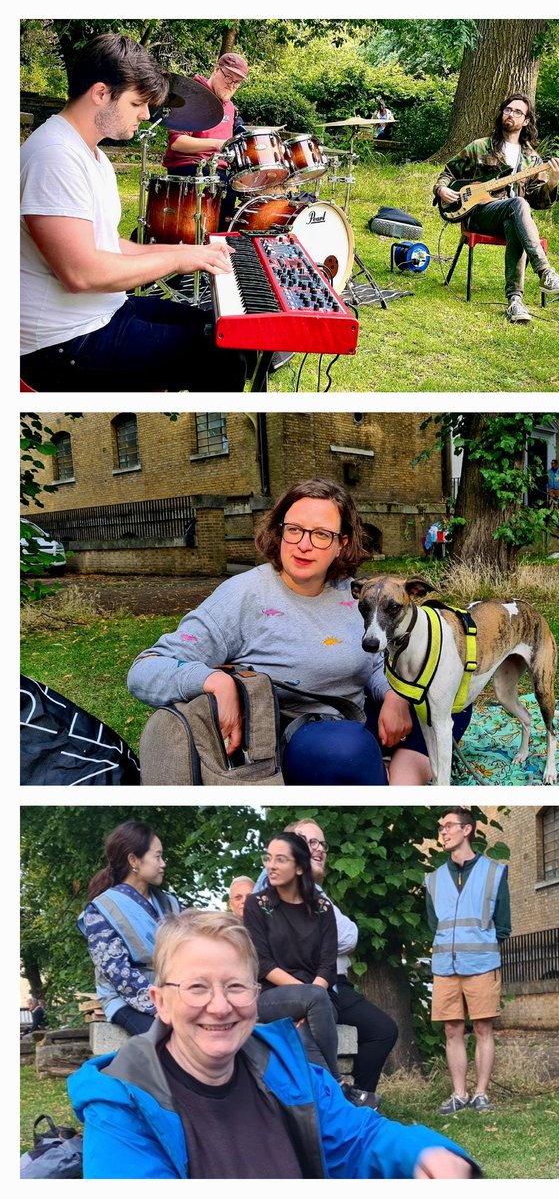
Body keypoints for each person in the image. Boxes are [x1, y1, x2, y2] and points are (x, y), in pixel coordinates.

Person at [67, 909, 476, 1178]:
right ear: (161, 1003)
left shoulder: (287, 1068)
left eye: (235, 987)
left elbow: (360, 1138)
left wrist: (422, 1153)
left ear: (256, 994)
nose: (220, 1006)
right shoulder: (120, 1105)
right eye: (196, 988)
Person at [127, 478, 449, 785]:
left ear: (342, 543)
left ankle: (404, 775)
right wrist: (214, 680)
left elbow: (375, 660)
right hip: (298, 738)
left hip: (359, 714)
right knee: (346, 750)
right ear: (279, 532)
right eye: (294, 530)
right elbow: (145, 669)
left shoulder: (353, 594)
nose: (304, 545)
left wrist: (394, 695)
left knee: (449, 696)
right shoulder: (243, 596)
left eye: (321, 534)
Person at [20, 34, 246, 392]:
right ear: (100, 93)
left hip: (102, 313)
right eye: (137, 103)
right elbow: (81, 274)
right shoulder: (54, 155)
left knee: (218, 327)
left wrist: (188, 252)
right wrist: (175, 263)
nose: (145, 114)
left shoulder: (92, 156)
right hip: (60, 342)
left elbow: (109, 246)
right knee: (222, 358)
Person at [434, 92, 559, 323]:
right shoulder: (481, 146)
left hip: (512, 217)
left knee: (515, 216)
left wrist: (552, 182)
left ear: (526, 121)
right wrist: (441, 189)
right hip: (480, 214)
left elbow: (537, 202)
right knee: (518, 204)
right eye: (508, 109)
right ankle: (546, 273)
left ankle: (515, 302)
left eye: (518, 112)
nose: (511, 114)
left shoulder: (533, 160)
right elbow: (448, 172)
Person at [289, 817, 399, 1104]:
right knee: (315, 1037)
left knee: (383, 1030)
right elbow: (335, 937)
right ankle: (339, 1105)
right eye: (310, 841)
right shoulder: (287, 887)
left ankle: (359, 1100)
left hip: (334, 984)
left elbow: (348, 934)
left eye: (322, 843)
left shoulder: (316, 891)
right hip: (310, 986)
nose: (319, 849)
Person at [426, 808, 511, 1115]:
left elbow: (503, 924)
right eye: (441, 827)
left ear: (467, 830)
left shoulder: (494, 871)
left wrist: (483, 947)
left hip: (481, 965)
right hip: (445, 967)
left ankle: (481, 1093)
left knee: (483, 1029)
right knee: (451, 1030)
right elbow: (432, 923)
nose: (443, 831)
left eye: (448, 826)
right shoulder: (433, 879)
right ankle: (459, 1093)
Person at [242, 831, 341, 1079]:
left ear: (299, 868)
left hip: (319, 997)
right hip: (270, 996)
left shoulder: (322, 907)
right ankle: (338, 1083)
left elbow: (328, 964)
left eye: (280, 859)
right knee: (316, 1001)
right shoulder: (257, 904)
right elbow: (262, 963)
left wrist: (311, 999)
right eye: (268, 858)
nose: (271, 866)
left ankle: (327, 1099)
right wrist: (306, 998)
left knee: (305, 1037)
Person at [77, 820, 183, 1036]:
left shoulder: (171, 903)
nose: (163, 863)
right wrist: (160, 1006)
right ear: (134, 860)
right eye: (157, 856)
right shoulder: (101, 909)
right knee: (172, 1039)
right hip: (127, 998)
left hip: (173, 991)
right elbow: (117, 972)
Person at [160, 51, 249, 227]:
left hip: (219, 171)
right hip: (190, 168)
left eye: (237, 82)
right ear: (216, 69)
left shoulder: (230, 107)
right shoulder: (191, 98)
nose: (232, 85)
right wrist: (217, 145)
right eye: (228, 78)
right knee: (225, 187)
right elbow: (177, 143)